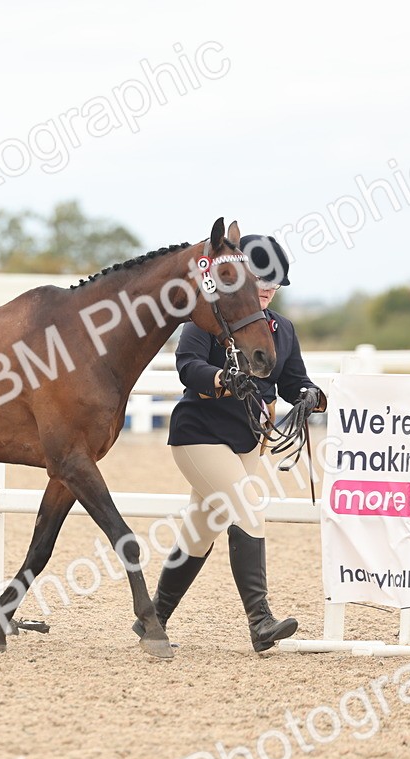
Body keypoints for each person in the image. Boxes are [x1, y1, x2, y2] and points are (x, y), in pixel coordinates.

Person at [141, 234, 327, 652]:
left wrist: (310, 395)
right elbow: (188, 367)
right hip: (199, 437)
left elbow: (295, 380)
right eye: (261, 279)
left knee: (199, 533)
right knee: (248, 507)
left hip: (247, 444)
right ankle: (260, 621)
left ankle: (154, 618)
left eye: (275, 283)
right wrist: (224, 379)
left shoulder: (282, 329)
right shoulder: (208, 320)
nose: (267, 289)